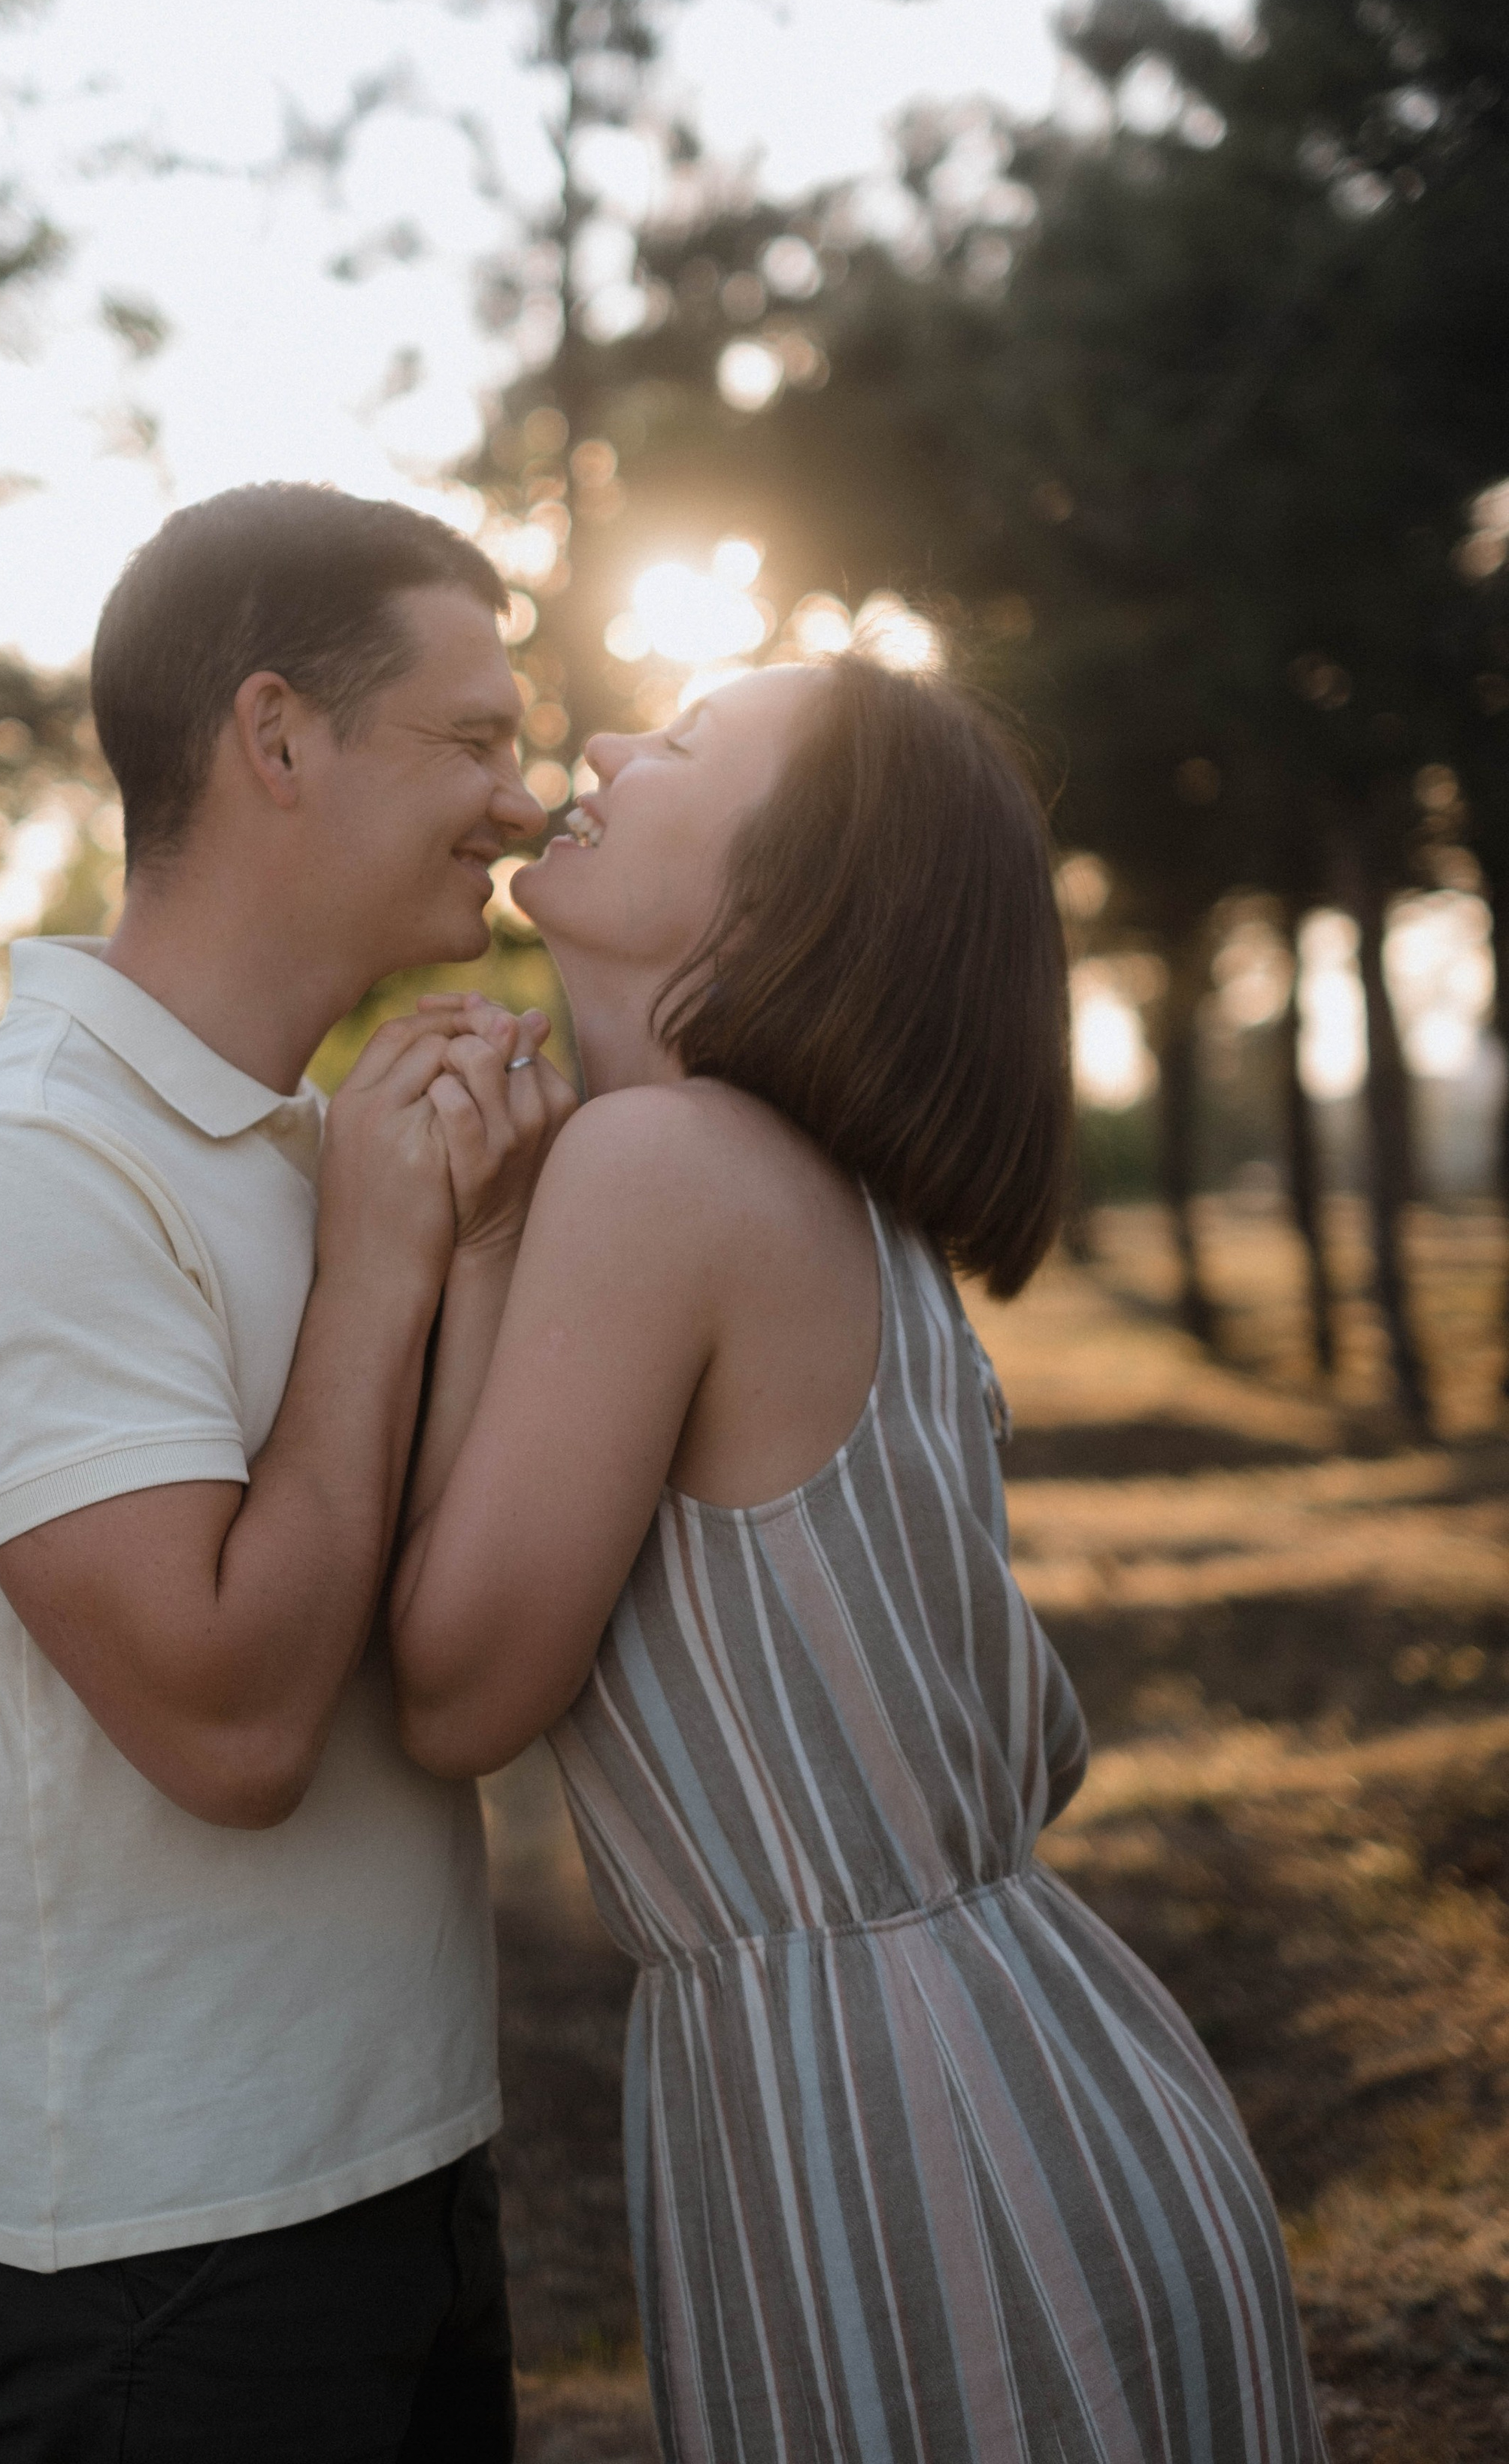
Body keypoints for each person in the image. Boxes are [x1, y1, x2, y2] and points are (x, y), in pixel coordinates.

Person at [389, 652, 1328, 2464]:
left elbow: (451, 1693)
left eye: (680, 744)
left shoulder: (653, 1171)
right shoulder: (824, 1199)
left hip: (905, 2134)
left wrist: (474, 1240)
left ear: (792, 890)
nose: (595, 745)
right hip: (1018, 2072)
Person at [0, 483, 574, 2463]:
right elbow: (236, 1724)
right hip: (154, 2256)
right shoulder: (35, 1173)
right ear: (274, 738)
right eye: (475, 739)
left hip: (393, 2168)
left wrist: (461, 1243)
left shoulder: (296, 1147)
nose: (522, 804)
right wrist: (380, 1270)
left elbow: (419, 1639)